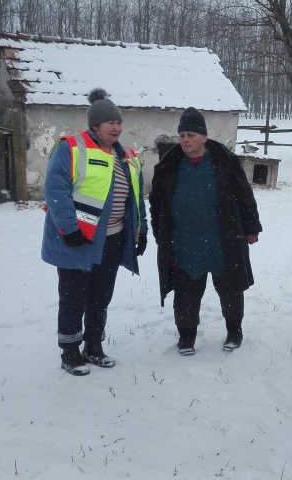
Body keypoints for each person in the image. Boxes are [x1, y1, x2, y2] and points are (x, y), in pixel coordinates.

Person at [42, 88, 148, 377]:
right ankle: (70, 351)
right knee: (73, 297)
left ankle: (93, 346)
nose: (117, 128)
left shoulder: (127, 155)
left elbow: (137, 200)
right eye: (110, 123)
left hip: (113, 239)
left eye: (119, 123)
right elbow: (55, 189)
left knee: (101, 297)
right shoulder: (72, 147)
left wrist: (141, 232)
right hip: (78, 240)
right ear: (95, 126)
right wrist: (69, 229)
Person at [149, 107, 262, 356]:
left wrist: (252, 227)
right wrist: (160, 233)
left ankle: (234, 331)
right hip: (184, 241)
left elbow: (245, 195)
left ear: (204, 136)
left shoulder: (225, 162)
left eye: (190, 134)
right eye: (182, 136)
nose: (185, 140)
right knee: (186, 293)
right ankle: (186, 337)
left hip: (223, 239)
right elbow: (156, 202)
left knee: (230, 289)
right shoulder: (169, 165)